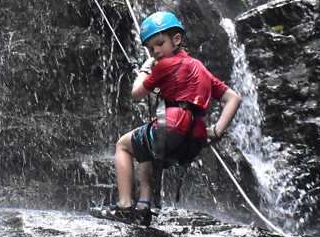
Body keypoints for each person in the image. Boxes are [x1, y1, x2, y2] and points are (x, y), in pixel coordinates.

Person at [93, 11, 241, 226]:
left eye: (159, 44)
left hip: (172, 126)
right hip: (195, 136)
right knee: (144, 145)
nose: (155, 51)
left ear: (177, 39)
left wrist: (145, 69)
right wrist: (216, 131)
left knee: (123, 145)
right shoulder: (200, 67)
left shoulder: (164, 65)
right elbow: (233, 98)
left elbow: (136, 93)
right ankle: (144, 205)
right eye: (151, 48)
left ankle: (125, 205)